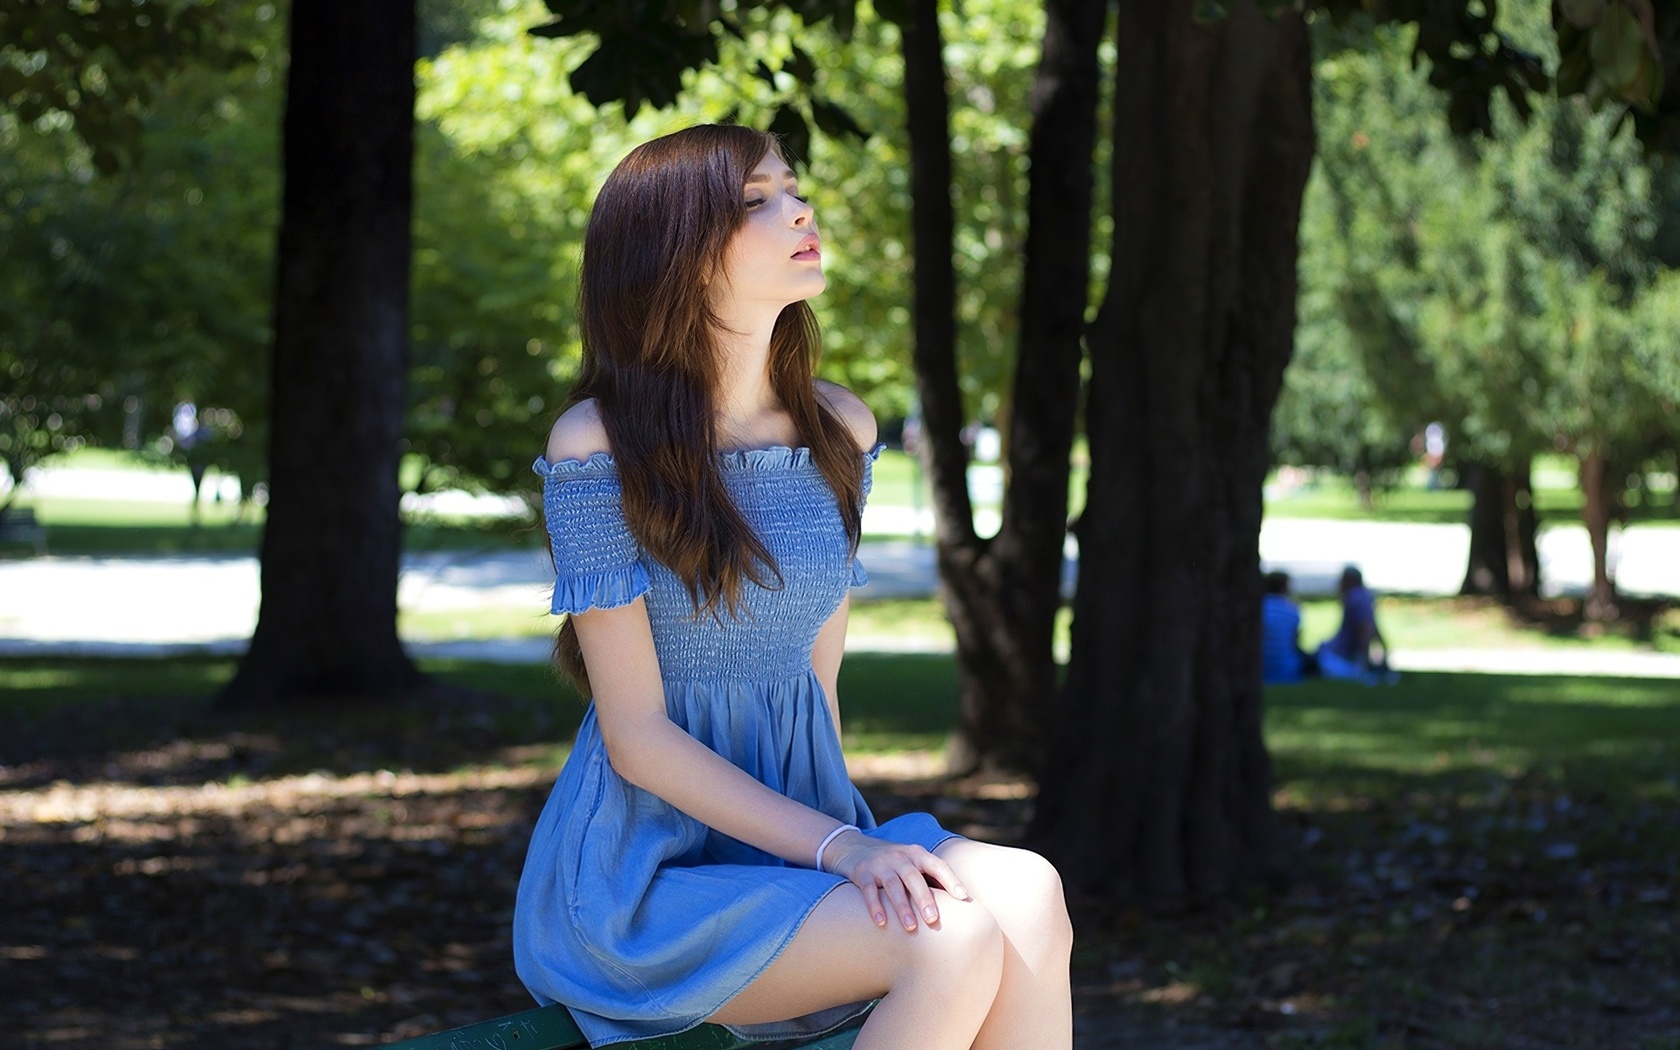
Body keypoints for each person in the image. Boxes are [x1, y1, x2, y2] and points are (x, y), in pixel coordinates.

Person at [512, 125, 1072, 1050]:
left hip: (806, 837)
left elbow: (820, 684)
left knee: (1032, 896)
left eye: (794, 189)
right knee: (947, 941)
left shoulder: (839, 430)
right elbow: (636, 737)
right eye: (755, 201)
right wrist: (841, 852)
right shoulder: (597, 445)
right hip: (642, 877)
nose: (799, 210)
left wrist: (844, 846)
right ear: (677, 255)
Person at [1315, 565, 1397, 683]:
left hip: (1339, 657)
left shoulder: (1355, 597)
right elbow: (1374, 628)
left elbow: (1367, 628)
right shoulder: (1364, 596)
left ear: (1349, 580)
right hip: (1341, 655)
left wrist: (1362, 662)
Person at [1260, 570, 1316, 684]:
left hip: (1260, 668)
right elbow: (1294, 642)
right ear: (1284, 587)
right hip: (1287, 671)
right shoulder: (1292, 609)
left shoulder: (1258, 606)